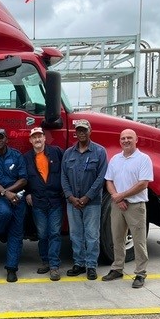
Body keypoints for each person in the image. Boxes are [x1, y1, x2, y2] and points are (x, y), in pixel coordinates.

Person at [102, 129, 154, 289]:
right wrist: (117, 197)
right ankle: (117, 268)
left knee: (139, 241)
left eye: (129, 138)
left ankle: (140, 273)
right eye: (123, 138)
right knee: (117, 239)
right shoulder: (115, 159)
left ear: (136, 139)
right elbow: (108, 180)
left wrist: (121, 196)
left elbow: (143, 183)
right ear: (120, 141)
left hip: (135, 206)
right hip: (118, 205)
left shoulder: (144, 159)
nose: (126, 140)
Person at [61, 119, 108, 280]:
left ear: (90, 131)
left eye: (84, 130)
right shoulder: (68, 153)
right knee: (75, 234)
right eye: (79, 130)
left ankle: (91, 265)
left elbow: (101, 178)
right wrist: (71, 197)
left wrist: (87, 197)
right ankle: (79, 263)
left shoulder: (100, 152)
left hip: (92, 202)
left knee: (92, 235)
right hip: (73, 202)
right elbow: (63, 177)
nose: (81, 133)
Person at [0, 128, 27, 282]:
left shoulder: (16, 155)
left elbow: (23, 179)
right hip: (0, 198)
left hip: (17, 196)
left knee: (16, 233)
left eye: (1, 138)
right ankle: (0, 232)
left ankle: (11, 269)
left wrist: (8, 191)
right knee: (3, 213)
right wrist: (4, 193)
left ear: (7, 139)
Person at [23, 127, 64, 281]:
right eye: (34, 137)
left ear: (45, 138)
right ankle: (45, 261)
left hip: (55, 201)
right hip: (38, 202)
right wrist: (27, 192)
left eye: (40, 136)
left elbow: (66, 171)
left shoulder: (57, 152)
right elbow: (23, 177)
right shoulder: (26, 157)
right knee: (42, 234)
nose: (37, 140)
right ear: (30, 140)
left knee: (54, 233)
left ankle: (54, 266)